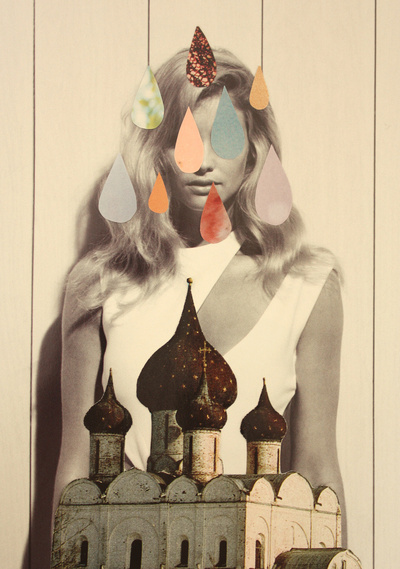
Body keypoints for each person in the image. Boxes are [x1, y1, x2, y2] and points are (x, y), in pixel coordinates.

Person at [54, 48, 346, 541]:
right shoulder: (100, 284)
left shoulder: (307, 283)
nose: (203, 161)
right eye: (183, 137)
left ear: (254, 150)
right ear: (158, 149)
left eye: (225, 137)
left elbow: (318, 470)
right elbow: (75, 471)